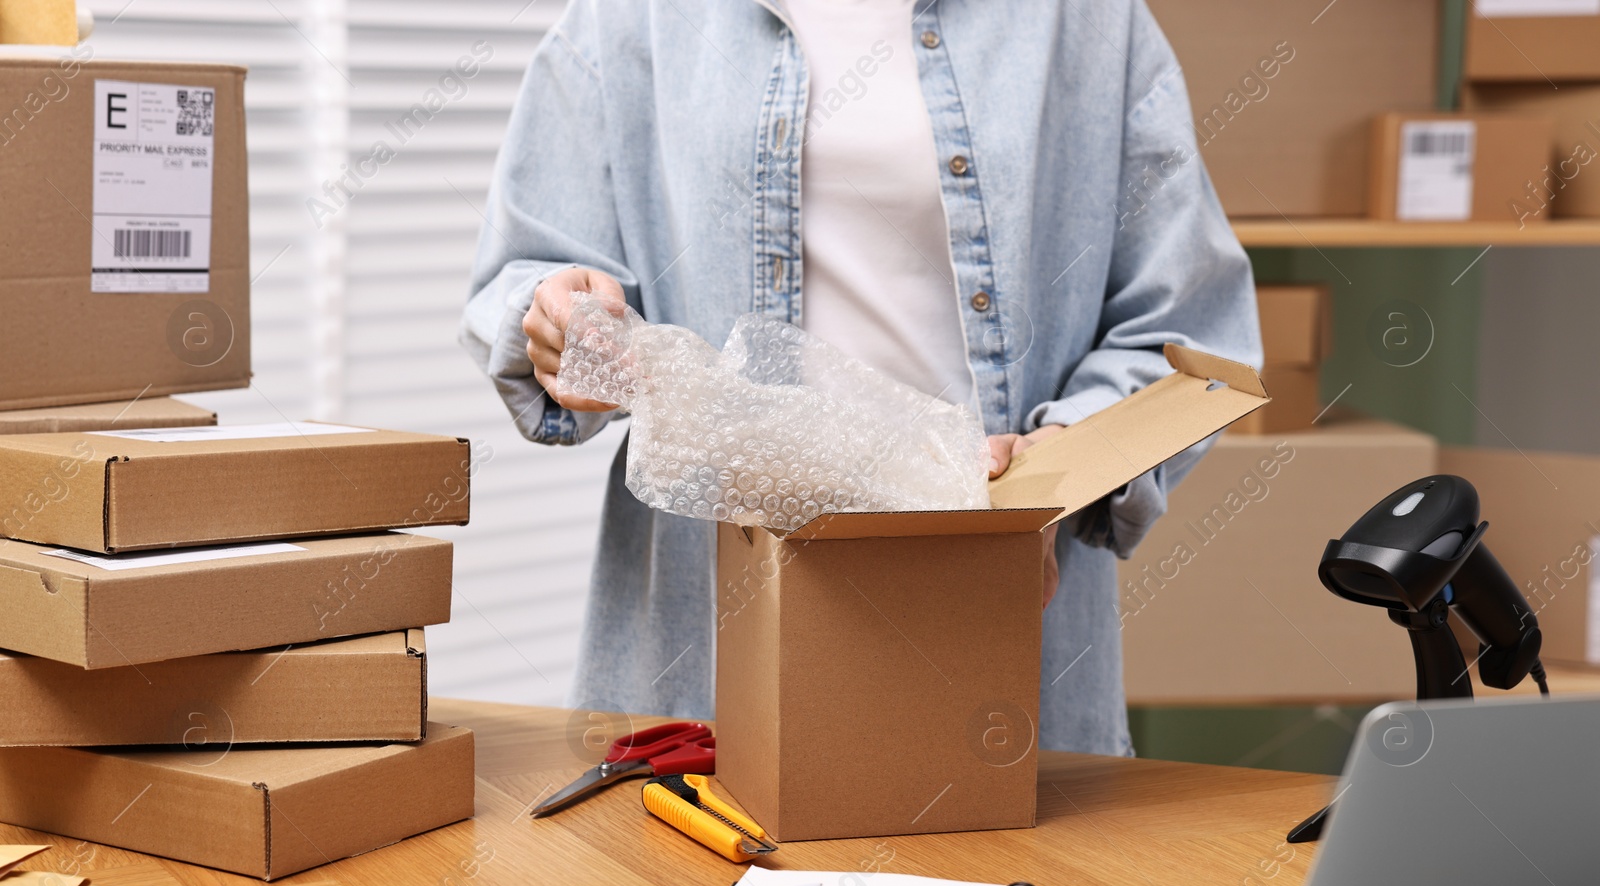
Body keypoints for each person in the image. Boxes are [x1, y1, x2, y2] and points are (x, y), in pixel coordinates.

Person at [461, 0, 1262, 755]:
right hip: (710, 625)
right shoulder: (632, 17)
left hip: (994, 598)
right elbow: (531, 265)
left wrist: (1056, 466)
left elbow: (1183, 323)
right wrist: (558, 321)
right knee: (696, 885)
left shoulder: (1083, 22)